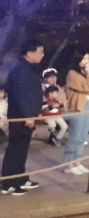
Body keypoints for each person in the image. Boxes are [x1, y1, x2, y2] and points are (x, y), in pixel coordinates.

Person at [1, 39, 44, 195]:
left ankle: (20, 178)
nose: (42, 55)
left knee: (22, 148)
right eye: (40, 52)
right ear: (29, 53)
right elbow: (21, 95)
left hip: (28, 115)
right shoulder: (20, 70)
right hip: (20, 116)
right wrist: (28, 116)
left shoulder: (29, 68)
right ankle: (9, 183)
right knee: (16, 148)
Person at [63, 50, 89, 175]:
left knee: (82, 137)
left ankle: (77, 162)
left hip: (87, 105)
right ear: (77, 60)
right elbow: (86, 87)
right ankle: (68, 164)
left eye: (88, 58)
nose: (87, 61)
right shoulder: (72, 74)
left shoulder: (86, 74)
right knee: (75, 136)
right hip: (77, 107)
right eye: (84, 59)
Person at [41, 68, 67, 146]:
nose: (53, 79)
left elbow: (63, 100)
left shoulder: (59, 89)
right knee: (52, 124)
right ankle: (54, 137)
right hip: (46, 112)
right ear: (45, 78)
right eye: (51, 77)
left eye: (55, 77)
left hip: (58, 111)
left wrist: (61, 105)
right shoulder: (41, 88)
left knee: (63, 124)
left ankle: (57, 138)